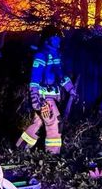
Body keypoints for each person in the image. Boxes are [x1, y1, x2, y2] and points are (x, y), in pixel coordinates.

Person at [16, 25, 76, 154]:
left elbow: (60, 75)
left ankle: (20, 150)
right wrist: (35, 100)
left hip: (49, 96)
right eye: (56, 38)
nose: (59, 40)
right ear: (48, 39)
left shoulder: (54, 55)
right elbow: (34, 79)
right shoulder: (41, 56)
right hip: (44, 98)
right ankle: (52, 155)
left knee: (37, 123)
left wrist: (70, 89)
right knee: (54, 123)